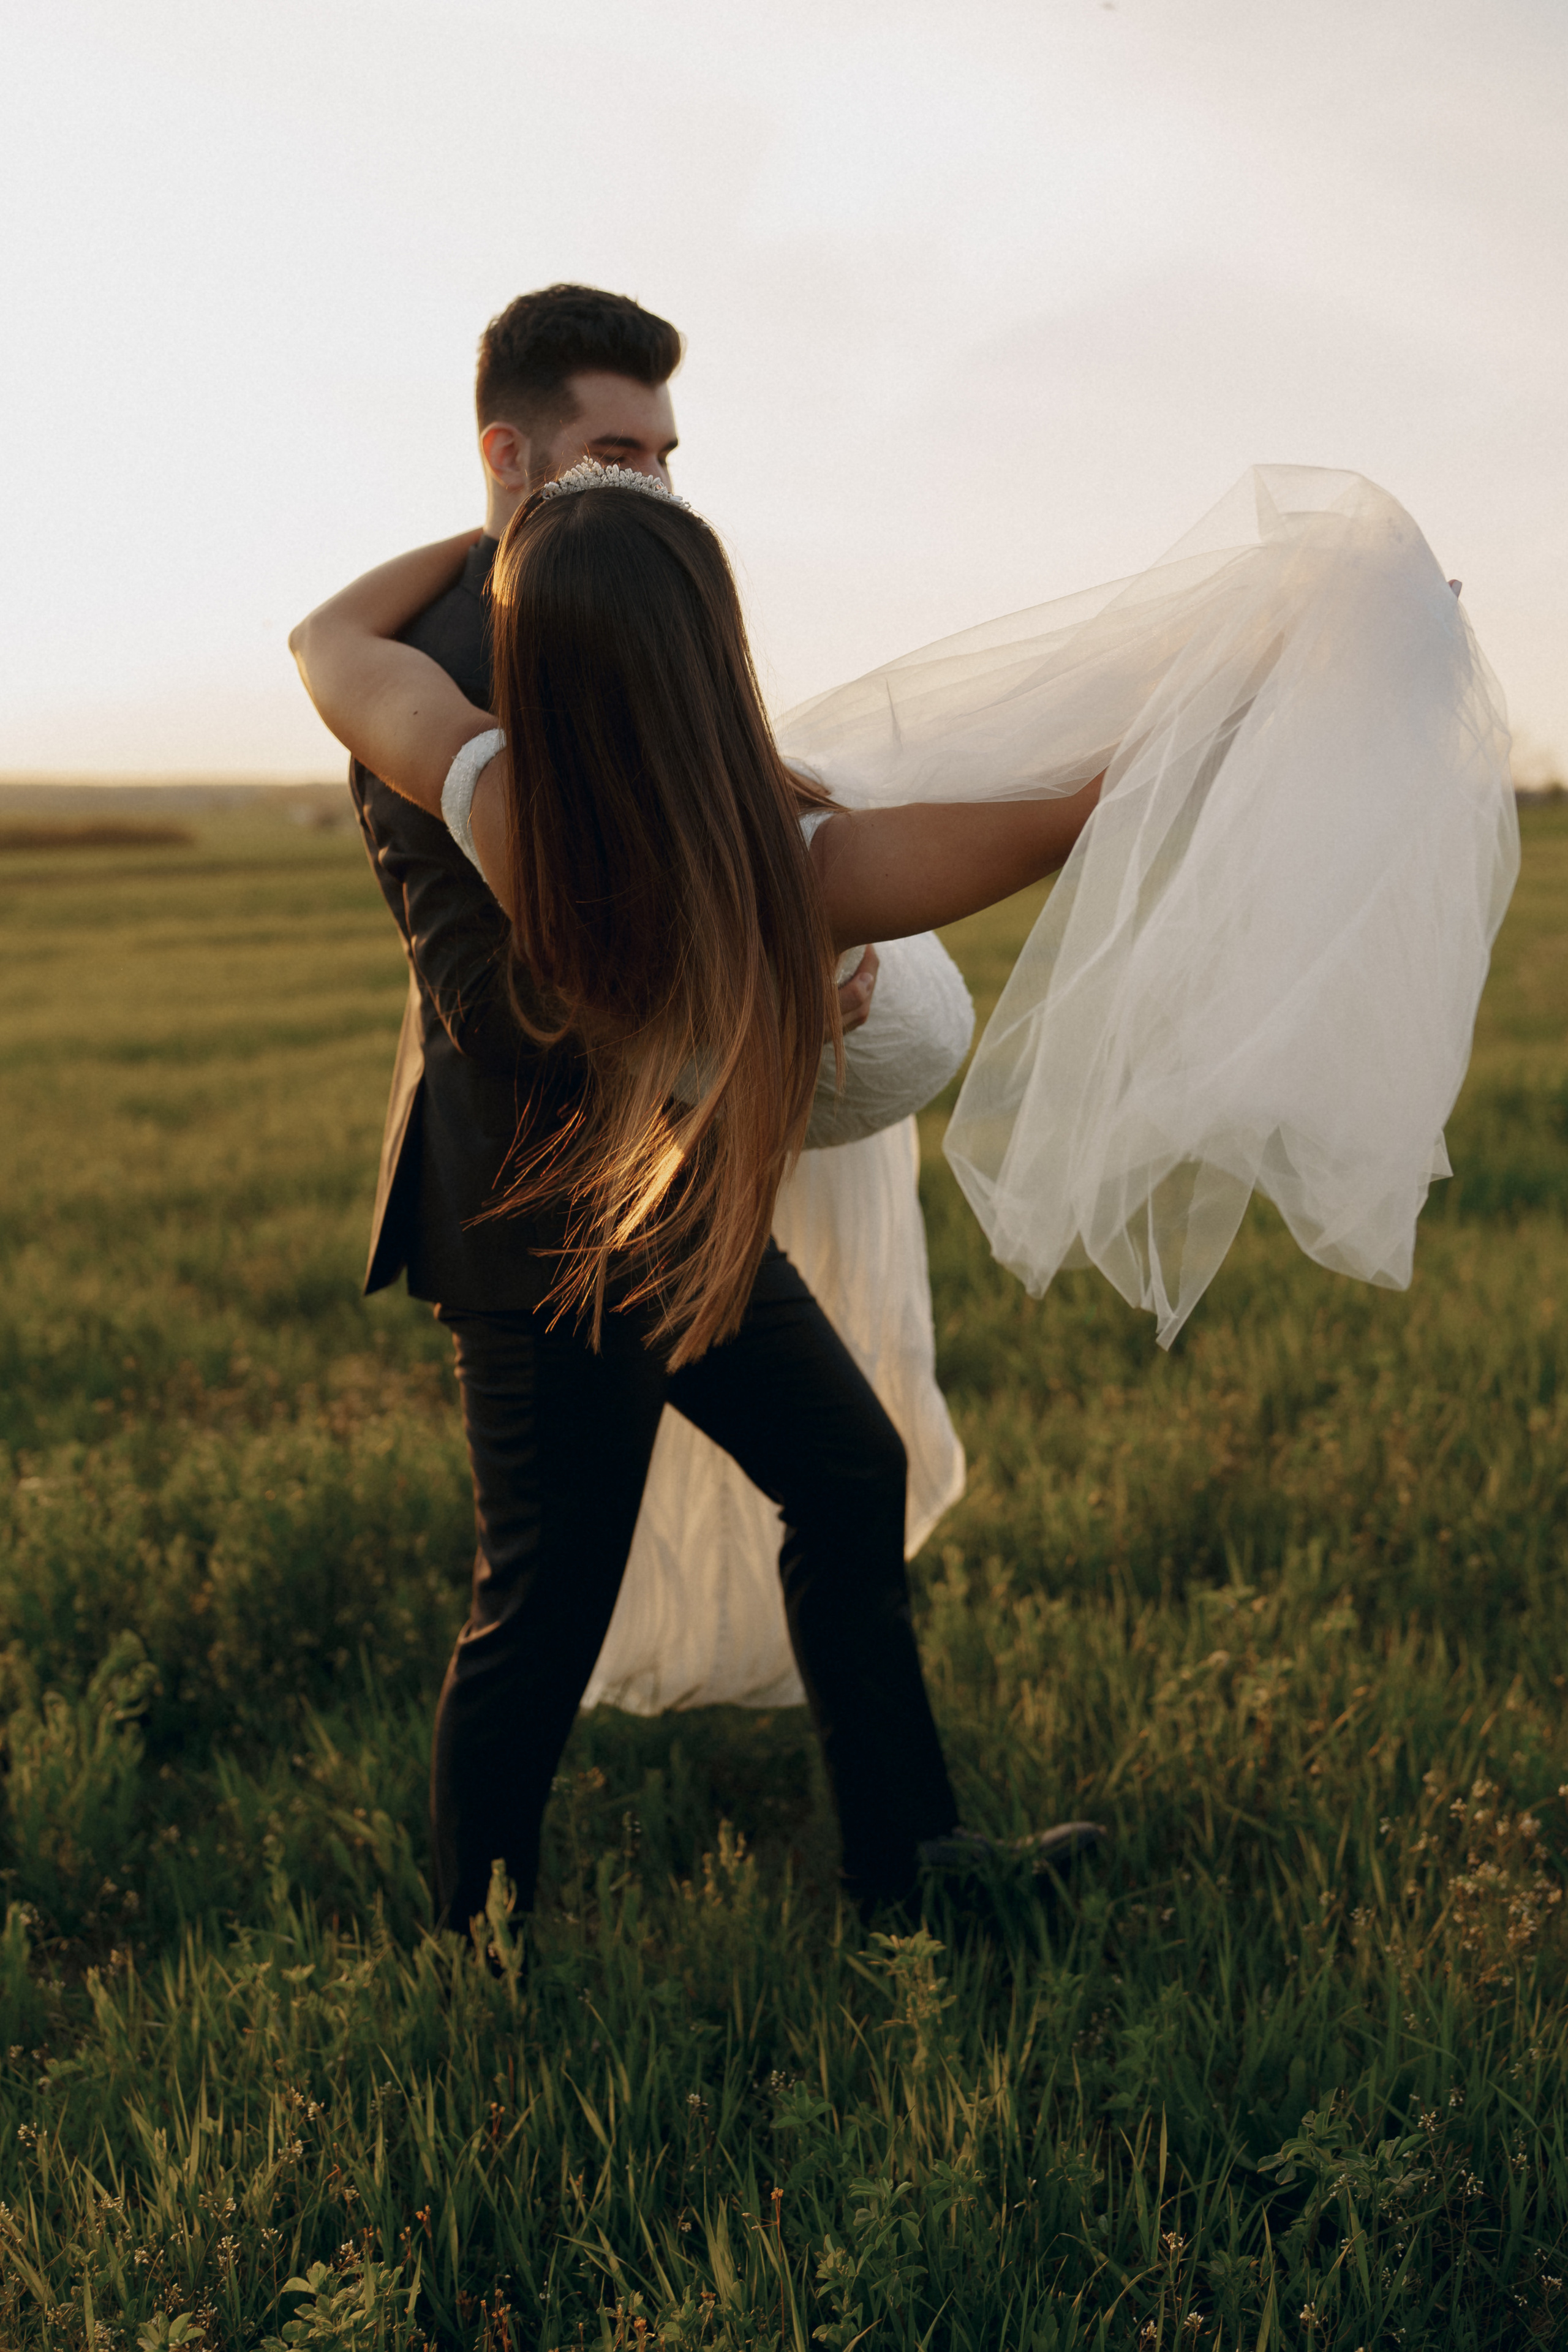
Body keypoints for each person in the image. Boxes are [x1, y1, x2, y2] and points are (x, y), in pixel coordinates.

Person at [318, 285, 1102, 1934]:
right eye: (621, 451)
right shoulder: (453, 693)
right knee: (544, 1601)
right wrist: (750, 1018)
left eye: (670, 457)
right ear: (511, 456)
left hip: (672, 1197)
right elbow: (501, 1004)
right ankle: (477, 1955)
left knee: (843, 1469)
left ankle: (912, 1873)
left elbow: (901, 847)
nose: (659, 486)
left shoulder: (633, 627)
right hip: (532, 1224)